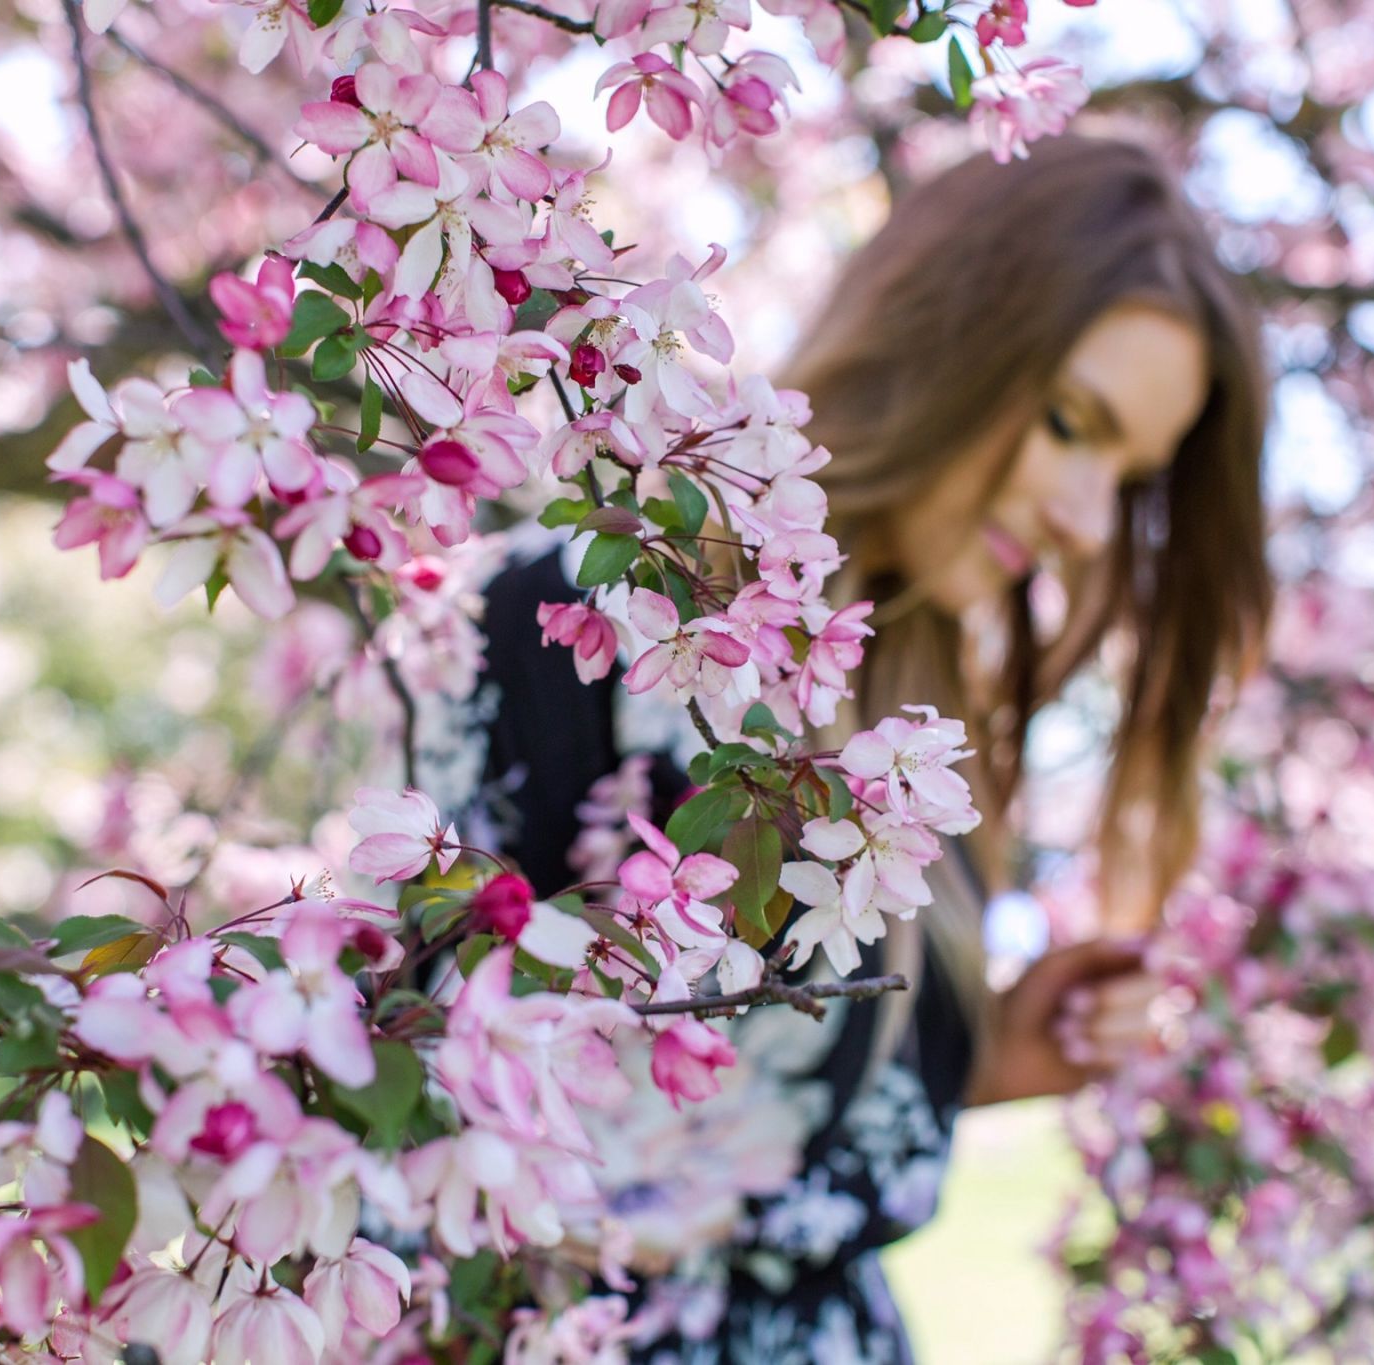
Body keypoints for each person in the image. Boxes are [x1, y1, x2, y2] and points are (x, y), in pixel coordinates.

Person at [464, 133, 1271, 1362]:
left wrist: (968, 1053)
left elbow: (776, 1130)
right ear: (941, 339)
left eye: (1127, 476)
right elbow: (443, 1099)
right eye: (1068, 424)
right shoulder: (585, 617)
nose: (1082, 521)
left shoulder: (913, 716)